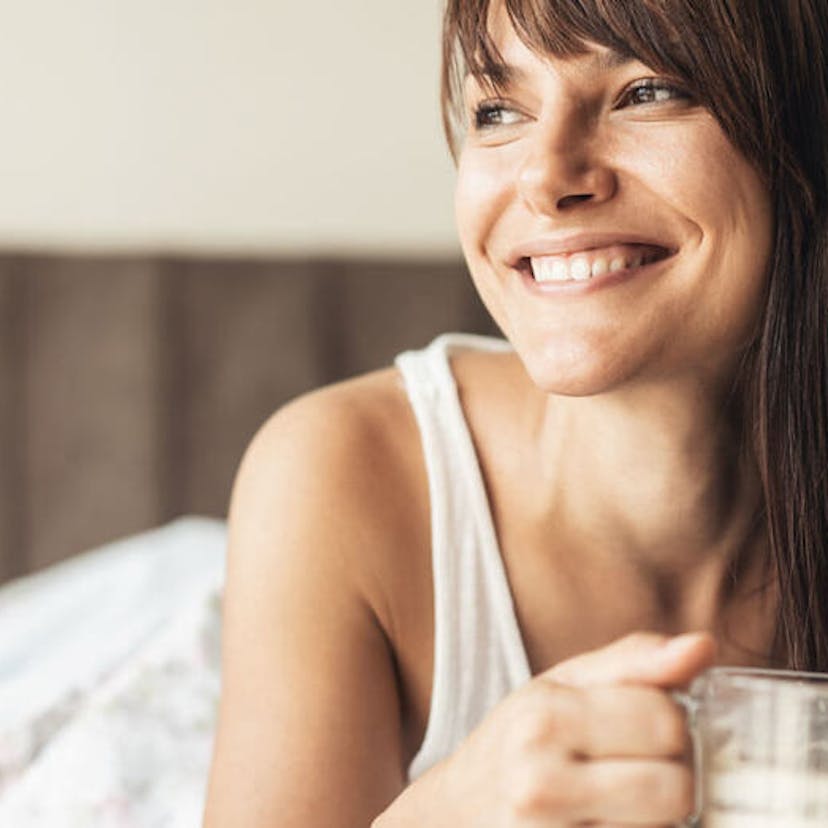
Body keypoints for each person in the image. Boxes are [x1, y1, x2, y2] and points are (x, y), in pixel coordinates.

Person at [203, 0, 828, 824]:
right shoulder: (341, 475)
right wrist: (450, 811)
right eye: (500, 111)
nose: (544, 174)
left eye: (647, 92)